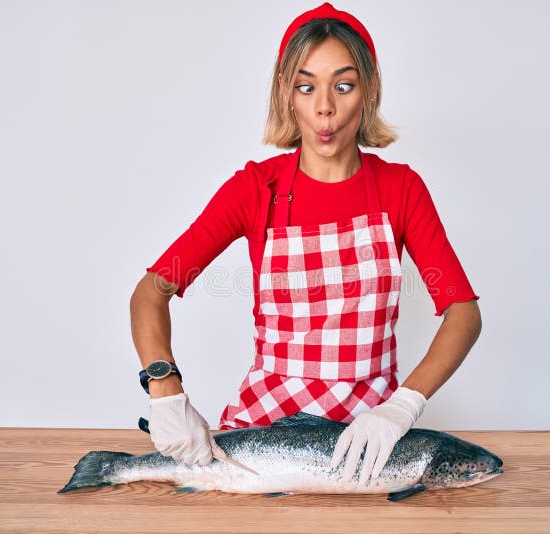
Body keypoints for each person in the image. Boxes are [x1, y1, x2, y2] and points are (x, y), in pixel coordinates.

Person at [129, 2, 481, 487]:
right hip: (262, 435)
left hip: (368, 444)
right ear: (285, 93)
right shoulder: (254, 190)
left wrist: (403, 406)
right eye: (305, 85)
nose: (324, 109)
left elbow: (463, 310)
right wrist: (164, 389)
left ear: (370, 90)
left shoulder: (402, 190)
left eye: (343, 85)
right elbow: (150, 291)